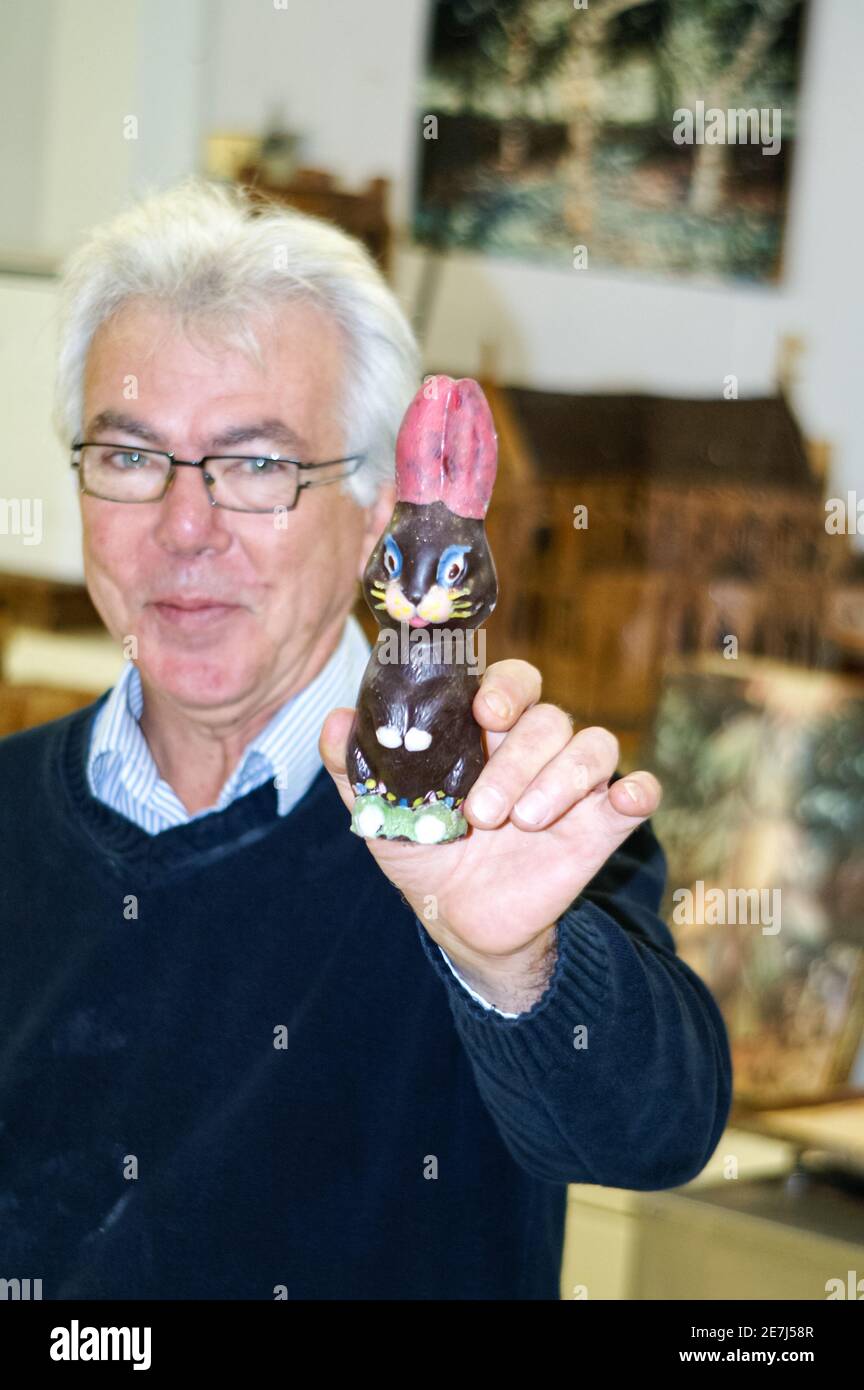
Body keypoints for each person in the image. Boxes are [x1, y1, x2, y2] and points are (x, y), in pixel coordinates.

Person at [0, 179, 731, 1300]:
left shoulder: (508, 813)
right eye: (131, 455)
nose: (183, 528)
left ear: (382, 509)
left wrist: (514, 964)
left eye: (257, 465)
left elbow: (650, 1131)